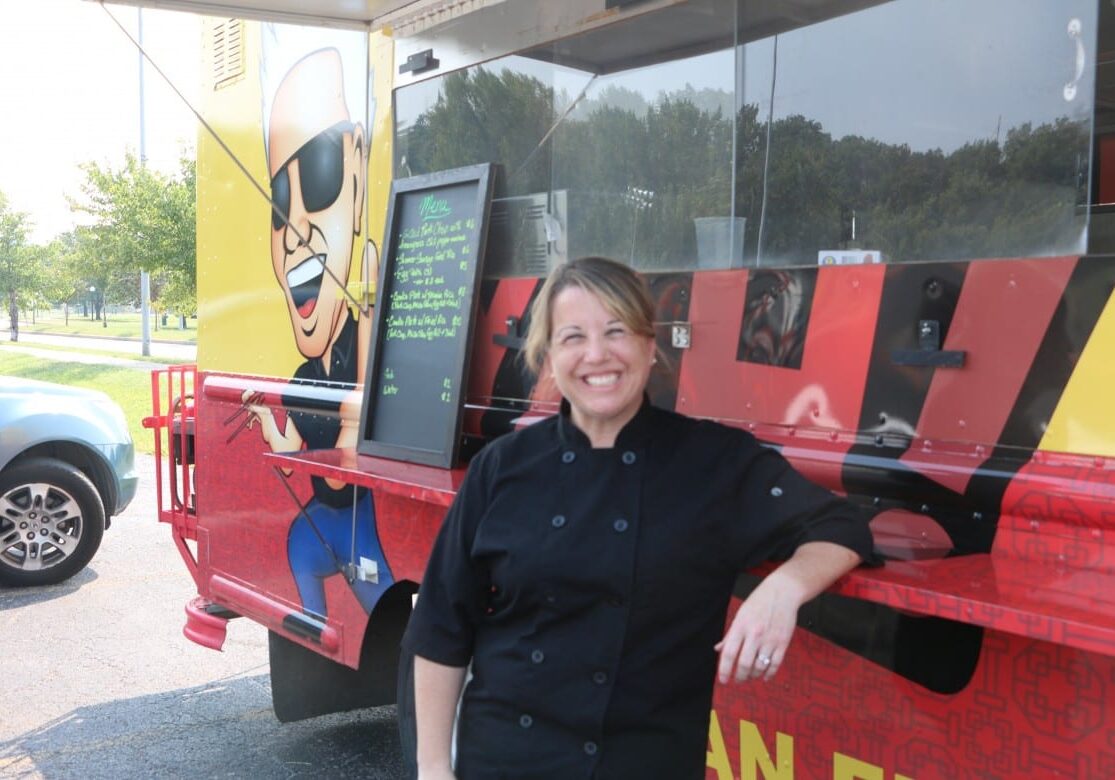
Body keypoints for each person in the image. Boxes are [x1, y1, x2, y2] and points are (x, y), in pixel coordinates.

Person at [402, 256, 878, 779]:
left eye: (616, 331)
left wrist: (784, 589)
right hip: (506, 760)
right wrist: (433, 768)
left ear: (650, 346)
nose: (597, 355)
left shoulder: (714, 462)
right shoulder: (501, 467)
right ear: (550, 356)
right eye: (573, 337)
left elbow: (841, 526)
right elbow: (442, 626)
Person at [242, 33, 392, 623]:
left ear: (356, 176)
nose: (296, 227)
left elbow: (357, 438)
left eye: (322, 174)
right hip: (325, 519)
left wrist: (373, 308)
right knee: (300, 547)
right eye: (280, 201)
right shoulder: (305, 376)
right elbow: (291, 457)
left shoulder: (362, 345)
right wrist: (263, 415)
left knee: (379, 596)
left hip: (361, 522)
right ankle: (317, 627)